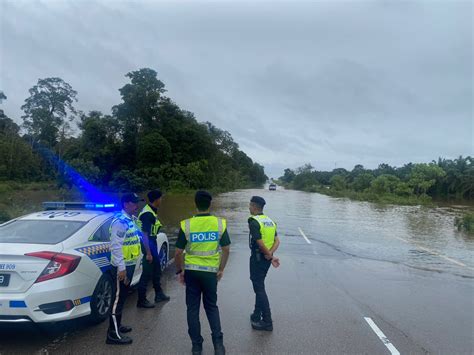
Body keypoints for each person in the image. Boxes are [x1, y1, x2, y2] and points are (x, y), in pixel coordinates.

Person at [175, 191, 230, 355]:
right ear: (210, 204)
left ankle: (197, 346)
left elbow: (178, 252)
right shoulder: (219, 224)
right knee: (211, 307)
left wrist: (181, 271)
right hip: (210, 274)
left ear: (195, 204)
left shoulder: (186, 225)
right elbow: (226, 249)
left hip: (192, 273)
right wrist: (221, 269)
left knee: (192, 309)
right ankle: (218, 346)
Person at [106, 193, 143, 345]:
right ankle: (113, 335)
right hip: (122, 267)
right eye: (134, 203)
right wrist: (121, 268)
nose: (137, 205)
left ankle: (117, 326)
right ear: (126, 204)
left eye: (137, 203)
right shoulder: (120, 222)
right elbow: (116, 246)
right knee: (117, 300)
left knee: (122, 299)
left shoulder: (130, 220)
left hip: (129, 264)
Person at [248, 196, 280, 331]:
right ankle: (256, 315)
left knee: (259, 288)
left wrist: (268, 255)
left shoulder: (253, 221)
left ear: (255, 207)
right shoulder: (270, 221)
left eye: (250, 205)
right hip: (265, 259)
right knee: (259, 284)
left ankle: (267, 321)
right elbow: (277, 241)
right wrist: (270, 255)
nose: (249, 207)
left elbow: (260, 243)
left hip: (258, 258)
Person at [136, 189, 170, 308]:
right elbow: (144, 234)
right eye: (160, 198)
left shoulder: (151, 211)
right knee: (147, 273)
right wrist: (149, 253)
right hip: (148, 245)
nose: (161, 200)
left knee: (156, 270)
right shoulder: (147, 214)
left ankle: (159, 294)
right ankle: (141, 300)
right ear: (156, 200)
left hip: (152, 243)